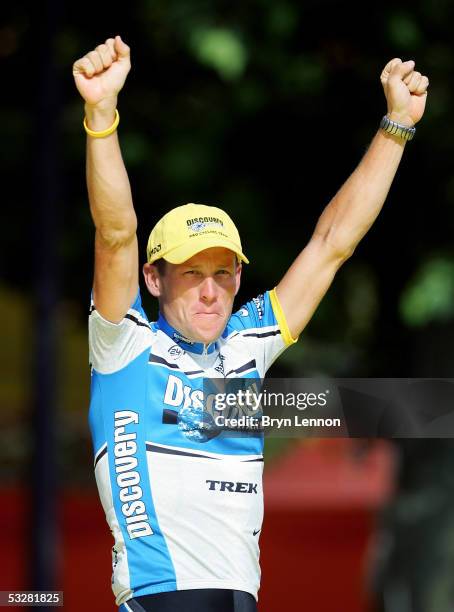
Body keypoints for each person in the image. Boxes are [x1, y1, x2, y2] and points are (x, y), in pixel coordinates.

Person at [72, 35, 428, 612]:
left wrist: (396, 126)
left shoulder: (246, 345)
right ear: (154, 280)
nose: (211, 291)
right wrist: (101, 115)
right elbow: (115, 234)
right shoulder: (123, 346)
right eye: (191, 274)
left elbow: (332, 244)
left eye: (224, 272)